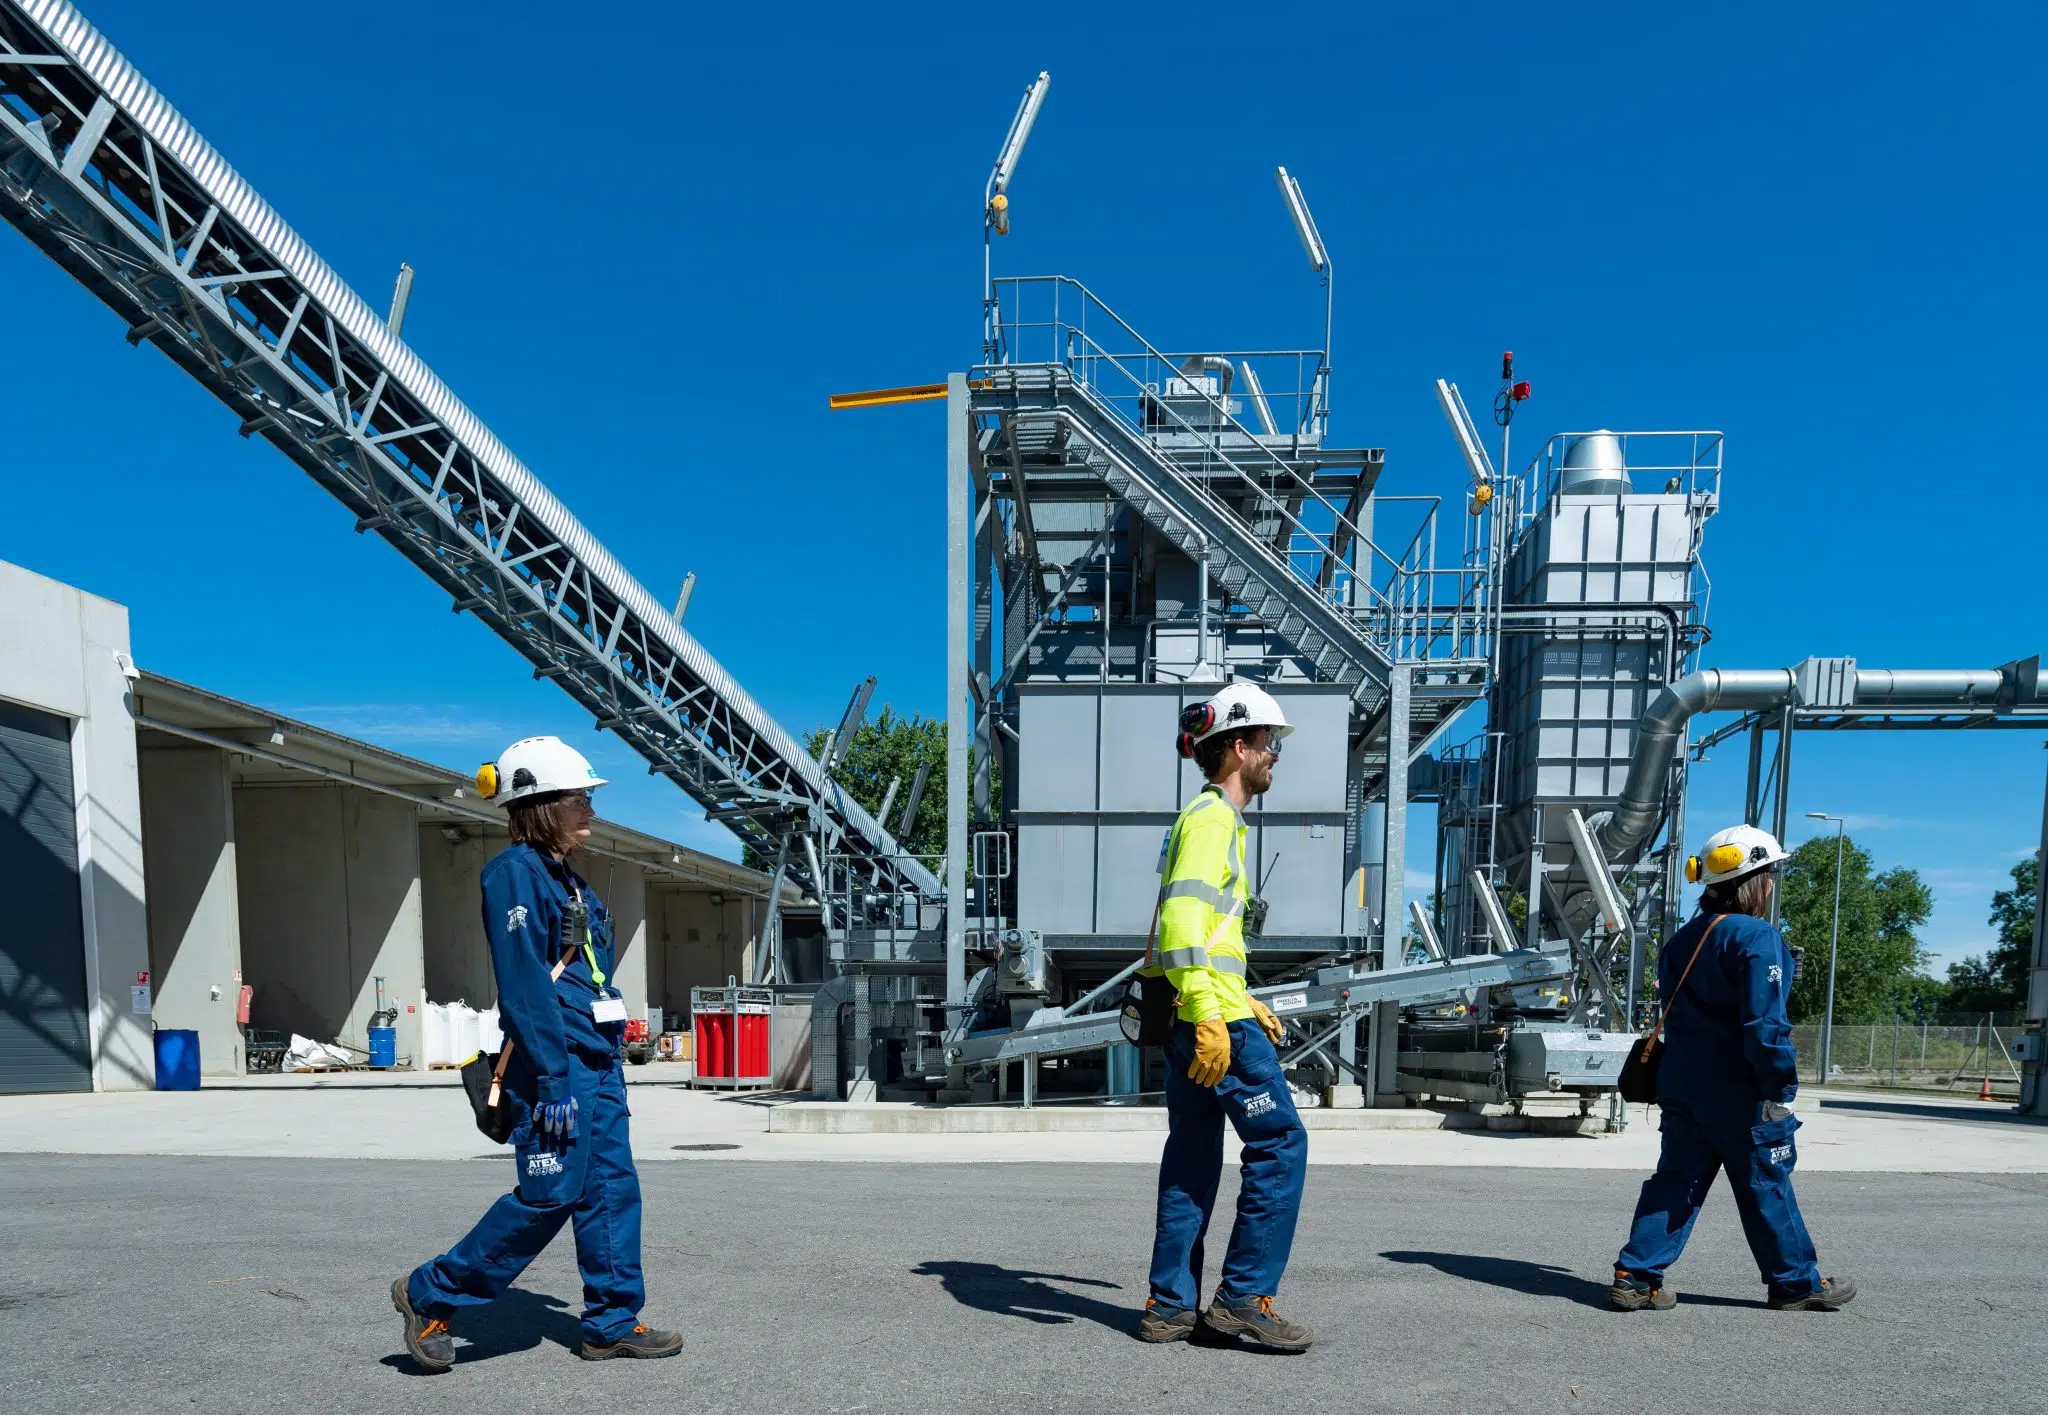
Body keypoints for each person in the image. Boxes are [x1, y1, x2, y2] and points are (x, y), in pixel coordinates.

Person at [393, 736, 680, 1370]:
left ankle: (611, 1322)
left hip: (596, 1063)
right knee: (550, 1194)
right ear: (543, 804)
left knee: (611, 1191)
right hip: (556, 1066)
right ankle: (430, 1292)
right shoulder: (515, 875)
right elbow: (524, 985)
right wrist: (550, 1078)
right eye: (580, 799)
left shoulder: (569, 881)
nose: (590, 810)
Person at [1608, 824, 1857, 1313]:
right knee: (1766, 1183)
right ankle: (1795, 1283)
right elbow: (1765, 1024)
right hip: (1738, 1090)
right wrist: (1780, 1083)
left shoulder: (1682, 940)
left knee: (1675, 1181)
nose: (1772, 884)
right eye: (1770, 874)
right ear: (1754, 880)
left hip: (1681, 1085)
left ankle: (1635, 1277)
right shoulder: (1757, 937)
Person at [1140, 683, 1313, 1352]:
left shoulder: (1196, 818)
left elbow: (1197, 931)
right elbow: (1183, 922)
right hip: (1212, 1021)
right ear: (1239, 747)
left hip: (1194, 1012)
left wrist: (1240, 996)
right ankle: (1244, 1297)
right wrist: (1217, 1013)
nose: (1275, 756)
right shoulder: (1214, 819)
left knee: (1191, 1154)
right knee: (1280, 1144)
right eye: (1269, 743)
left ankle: (1169, 1306)